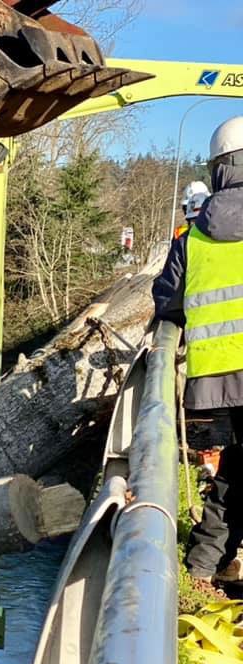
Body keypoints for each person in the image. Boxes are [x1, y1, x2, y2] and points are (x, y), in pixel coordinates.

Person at [153, 116, 243, 588]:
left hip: (215, 380)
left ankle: (206, 566)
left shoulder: (193, 238)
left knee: (235, 470)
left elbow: (168, 302)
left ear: (219, 169)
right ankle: (210, 565)